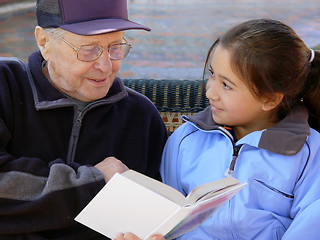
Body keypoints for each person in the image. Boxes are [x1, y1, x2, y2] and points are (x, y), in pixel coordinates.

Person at [115, 18, 320, 239]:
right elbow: (170, 221)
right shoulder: (185, 139)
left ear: (270, 99)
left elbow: (310, 226)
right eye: (212, 74)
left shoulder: (309, 154)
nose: (210, 92)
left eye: (226, 85)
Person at [0, 0, 167, 239]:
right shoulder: (5, 85)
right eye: (89, 48)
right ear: (44, 42)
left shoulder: (141, 117)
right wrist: (92, 182)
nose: (105, 65)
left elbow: (152, 215)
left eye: (116, 47)